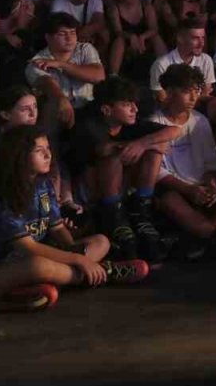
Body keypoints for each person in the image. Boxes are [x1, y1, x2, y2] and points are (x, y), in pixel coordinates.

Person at [0, 126, 148, 312]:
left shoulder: (43, 185)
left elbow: (57, 228)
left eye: (48, 148)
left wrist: (74, 251)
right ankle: (103, 272)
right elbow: (29, 247)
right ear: (18, 156)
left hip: (39, 257)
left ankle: (56, 281)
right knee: (38, 266)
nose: (47, 155)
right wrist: (80, 261)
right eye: (38, 150)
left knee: (101, 241)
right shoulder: (0, 197)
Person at [150, 64, 216, 258]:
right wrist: (188, 189)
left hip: (202, 187)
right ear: (170, 91)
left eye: (196, 91)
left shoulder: (200, 120)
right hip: (176, 189)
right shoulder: (154, 121)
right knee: (170, 201)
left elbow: (211, 159)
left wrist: (210, 182)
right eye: (186, 92)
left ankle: (210, 237)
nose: (193, 98)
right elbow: (157, 172)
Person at [70, 77, 177, 262]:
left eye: (134, 104)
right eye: (127, 105)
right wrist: (136, 146)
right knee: (114, 156)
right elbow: (103, 150)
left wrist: (143, 143)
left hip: (123, 188)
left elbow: (174, 131)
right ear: (106, 109)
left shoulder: (130, 124)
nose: (134, 109)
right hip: (89, 194)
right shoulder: (89, 124)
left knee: (152, 152)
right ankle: (113, 218)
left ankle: (141, 211)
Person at [151, 17, 216, 158]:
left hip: (199, 106)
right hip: (173, 110)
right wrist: (189, 96)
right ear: (180, 38)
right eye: (195, 38)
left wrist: (187, 94)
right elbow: (163, 99)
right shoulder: (162, 63)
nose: (201, 43)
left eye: (203, 38)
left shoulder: (206, 60)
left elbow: (207, 93)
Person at [25, 12, 106, 128]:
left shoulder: (85, 49)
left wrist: (61, 65)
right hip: (57, 111)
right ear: (48, 38)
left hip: (89, 107)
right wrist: (62, 99)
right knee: (50, 111)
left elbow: (99, 76)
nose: (69, 38)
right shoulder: (37, 61)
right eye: (62, 34)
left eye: (72, 32)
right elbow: (48, 82)